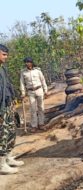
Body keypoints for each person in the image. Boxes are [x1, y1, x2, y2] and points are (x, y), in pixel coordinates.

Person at [0, 44, 24, 175]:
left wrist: (14, 99)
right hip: (1, 109)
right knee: (2, 136)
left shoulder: (3, 69)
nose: (6, 57)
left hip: (8, 106)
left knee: (10, 132)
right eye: (4, 54)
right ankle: (1, 164)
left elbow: (8, 85)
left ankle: (8, 158)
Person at [20, 57, 48, 132]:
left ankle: (41, 124)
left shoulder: (38, 71)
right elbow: (22, 83)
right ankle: (34, 126)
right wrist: (23, 92)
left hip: (39, 90)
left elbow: (43, 80)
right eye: (26, 62)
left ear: (31, 62)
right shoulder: (23, 72)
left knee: (41, 108)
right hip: (30, 92)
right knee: (32, 109)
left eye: (28, 62)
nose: (27, 63)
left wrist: (46, 90)